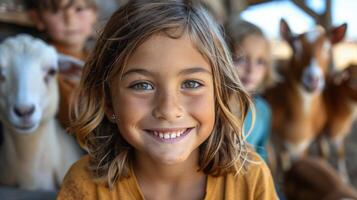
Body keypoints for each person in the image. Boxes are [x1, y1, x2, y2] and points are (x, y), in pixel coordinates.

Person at [57, 1, 278, 199]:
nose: (169, 109)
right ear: (108, 102)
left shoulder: (249, 179)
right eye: (142, 85)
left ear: (219, 93)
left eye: (191, 84)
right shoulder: (86, 186)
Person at [25, 0, 98, 127]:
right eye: (56, 11)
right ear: (37, 18)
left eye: (79, 9)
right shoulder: (43, 68)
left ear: (94, 14)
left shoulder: (98, 59)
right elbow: (76, 118)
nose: (70, 21)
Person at [225, 19, 275, 162]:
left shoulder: (263, 110)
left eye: (260, 61)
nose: (251, 70)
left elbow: (261, 155)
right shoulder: (213, 106)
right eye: (241, 59)